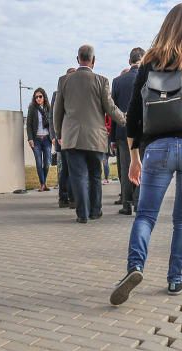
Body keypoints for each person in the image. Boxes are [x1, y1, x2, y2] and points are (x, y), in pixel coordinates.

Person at [110, 3, 182, 305]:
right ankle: (175, 280)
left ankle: (135, 267)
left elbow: (133, 114)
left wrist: (133, 157)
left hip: (156, 148)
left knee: (145, 214)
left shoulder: (149, 64)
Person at [53, 45, 127, 223]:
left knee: (78, 176)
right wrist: (124, 119)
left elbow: (58, 111)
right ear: (93, 61)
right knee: (95, 175)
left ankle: (82, 214)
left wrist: (58, 133)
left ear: (78, 59)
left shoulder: (64, 81)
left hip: (72, 138)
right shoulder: (102, 81)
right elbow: (110, 108)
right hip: (96, 138)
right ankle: (95, 211)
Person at [112, 48, 144, 215]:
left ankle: (126, 204)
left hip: (123, 131)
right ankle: (139, 202)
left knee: (125, 168)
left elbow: (111, 112)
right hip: (144, 130)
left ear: (129, 61)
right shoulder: (149, 78)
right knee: (142, 165)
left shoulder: (118, 81)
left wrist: (111, 138)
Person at [52, 68, 76, 208]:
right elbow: (54, 116)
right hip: (62, 136)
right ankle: (64, 197)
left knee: (70, 168)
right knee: (65, 169)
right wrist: (56, 135)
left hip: (71, 137)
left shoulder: (76, 93)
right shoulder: (57, 94)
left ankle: (71, 198)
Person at [26, 88, 54, 191]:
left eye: (40, 96)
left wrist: (54, 137)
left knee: (47, 163)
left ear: (44, 97)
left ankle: (44, 182)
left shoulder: (48, 108)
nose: (38, 98)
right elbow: (28, 124)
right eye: (36, 97)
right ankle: (42, 184)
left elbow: (52, 124)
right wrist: (30, 139)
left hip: (47, 139)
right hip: (36, 139)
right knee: (38, 162)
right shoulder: (32, 108)